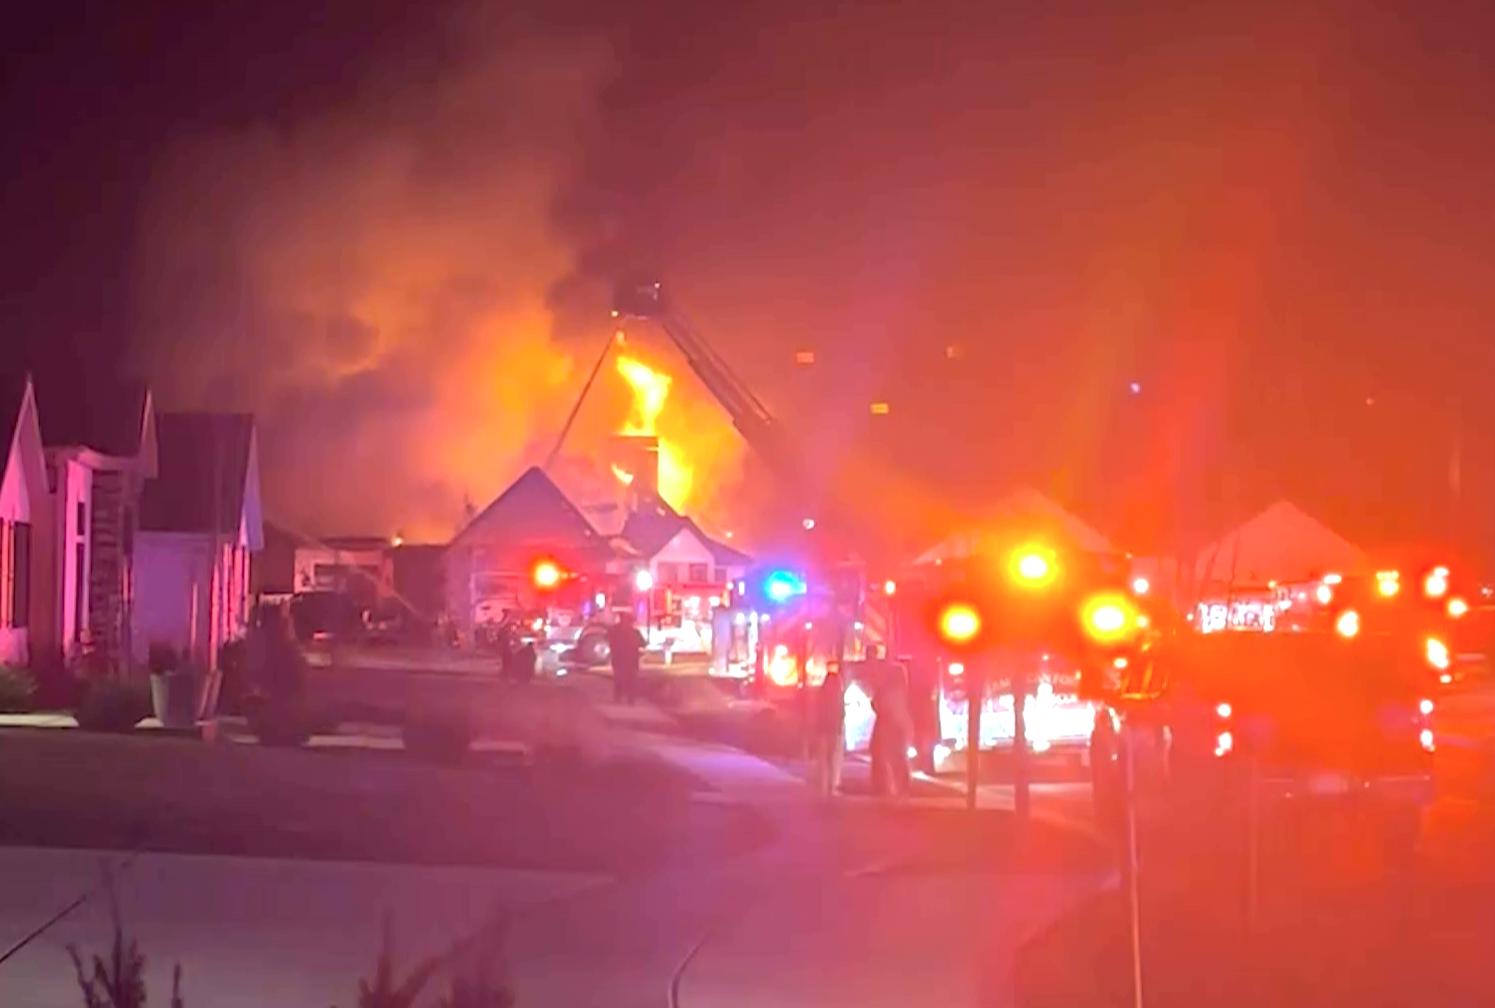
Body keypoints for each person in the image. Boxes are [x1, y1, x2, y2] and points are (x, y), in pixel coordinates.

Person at [868, 647, 913, 798]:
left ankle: (890, 788)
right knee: (896, 757)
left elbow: (878, 704)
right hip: (896, 725)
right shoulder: (900, 692)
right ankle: (899, 788)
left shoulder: (889, 691)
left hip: (889, 724)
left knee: (886, 757)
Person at [809, 667, 846, 800]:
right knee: (834, 760)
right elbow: (842, 714)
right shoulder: (839, 696)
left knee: (823, 760)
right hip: (835, 731)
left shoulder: (821, 695)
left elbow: (817, 712)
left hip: (822, 730)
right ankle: (832, 786)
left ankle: (823, 786)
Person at [606, 611, 645, 704]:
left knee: (618, 678)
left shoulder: (613, 630)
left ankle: (618, 698)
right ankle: (630, 700)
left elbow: (606, 638)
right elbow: (643, 643)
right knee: (631, 680)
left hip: (618, 658)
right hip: (631, 659)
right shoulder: (635, 632)